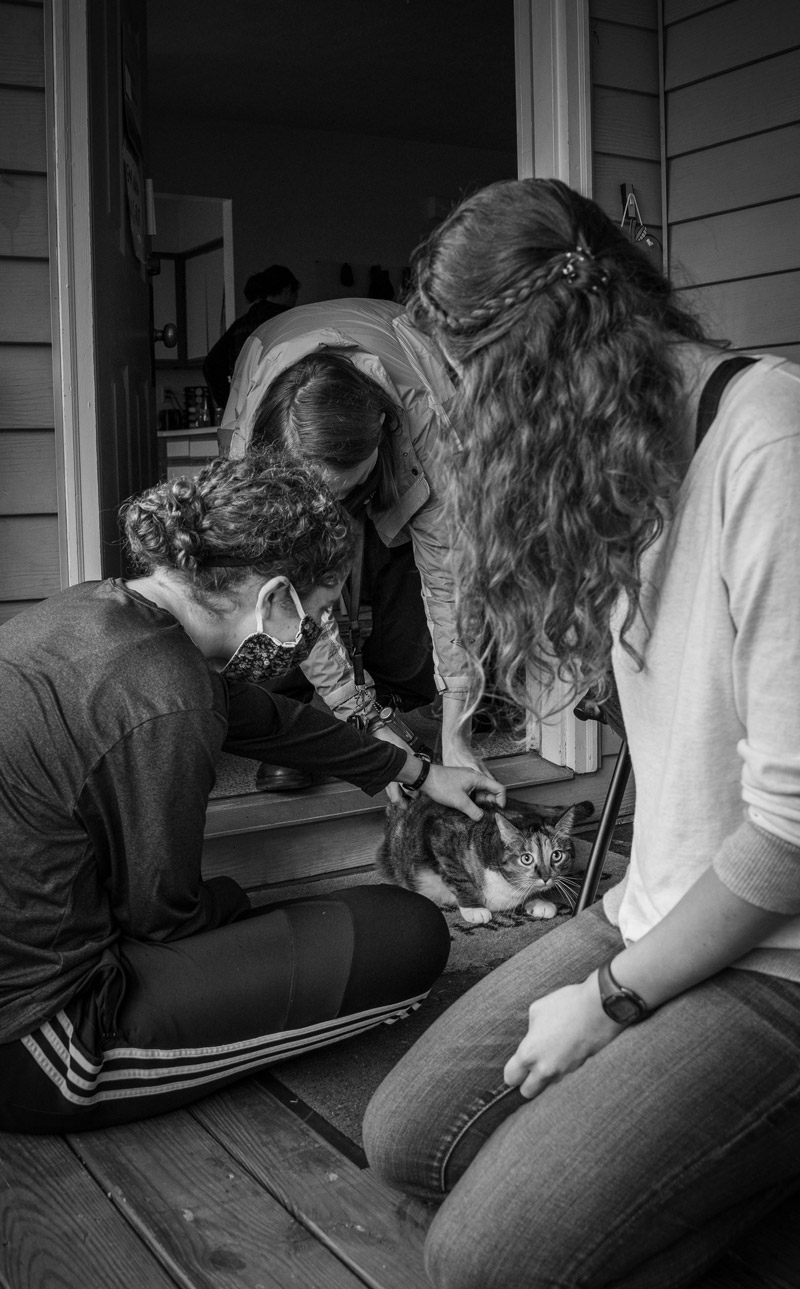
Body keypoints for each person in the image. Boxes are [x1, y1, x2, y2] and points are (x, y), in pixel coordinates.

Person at [361, 178, 800, 1288]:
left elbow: (790, 836)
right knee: (404, 1138)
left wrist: (611, 1001)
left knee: (480, 1260)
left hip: (777, 962)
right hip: (654, 906)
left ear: (558, 359)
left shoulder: (771, 448)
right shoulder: (630, 447)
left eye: (482, 387)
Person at [0, 453, 505, 1134]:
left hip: (30, 967)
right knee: (408, 932)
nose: (318, 633)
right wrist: (234, 906)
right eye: (321, 613)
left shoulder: (100, 608)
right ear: (274, 599)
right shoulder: (170, 698)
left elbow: (259, 717)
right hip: (47, 1042)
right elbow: (165, 917)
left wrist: (414, 771)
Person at [221, 297, 483, 783]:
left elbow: (447, 577)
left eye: (338, 488)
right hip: (265, 358)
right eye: (313, 490)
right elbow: (290, 597)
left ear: (380, 431)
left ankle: (409, 708)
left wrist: (457, 730)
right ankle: (291, 722)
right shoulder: (251, 448)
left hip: (406, 383)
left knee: (404, 564)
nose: (329, 507)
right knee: (273, 578)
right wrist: (357, 715)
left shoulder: (423, 423)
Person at [203, 264, 299, 413]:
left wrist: (228, 404)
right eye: (295, 295)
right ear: (287, 290)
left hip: (244, 409)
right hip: (278, 405)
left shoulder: (241, 324)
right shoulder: (288, 319)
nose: (295, 301)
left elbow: (211, 365)